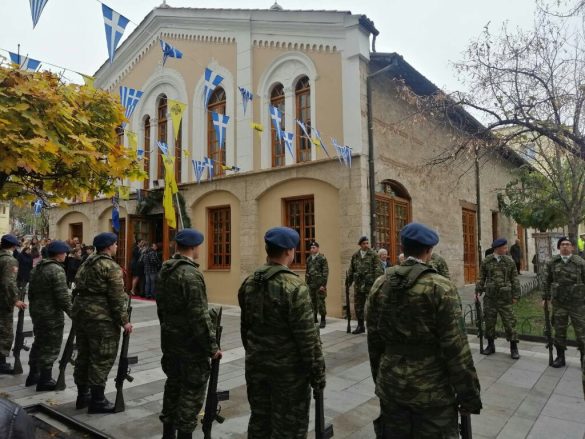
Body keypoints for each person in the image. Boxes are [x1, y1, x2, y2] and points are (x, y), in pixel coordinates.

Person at [366, 222, 482, 437]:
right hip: (432, 391)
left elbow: (374, 340)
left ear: (403, 247)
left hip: (391, 385)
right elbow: (456, 347)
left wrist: (381, 377)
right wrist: (469, 395)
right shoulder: (440, 287)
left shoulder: (380, 284)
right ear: (429, 250)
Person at [238, 227, 326, 438]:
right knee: (289, 429)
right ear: (289, 251)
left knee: (259, 422)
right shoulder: (294, 286)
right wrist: (318, 374)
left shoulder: (250, 282)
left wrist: (257, 353)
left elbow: (245, 328)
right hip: (288, 375)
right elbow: (308, 339)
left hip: (256, 367)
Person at [156, 229, 222, 439]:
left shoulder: (166, 269)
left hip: (170, 340)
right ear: (194, 247)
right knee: (191, 392)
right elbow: (199, 316)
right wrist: (212, 347)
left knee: (173, 386)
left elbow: (161, 307)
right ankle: (184, 434)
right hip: (190, 345)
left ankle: (168, 434)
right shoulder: (190, 274)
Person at [72, 232, 132, 413]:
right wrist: (124, 321)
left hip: (82, 316)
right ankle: (97, 400)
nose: (117, 247)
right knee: (102, 357)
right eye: (115, 244)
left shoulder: (87, 262)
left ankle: (83, 396)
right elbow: (116, 297)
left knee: (84, 355)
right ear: (108, 246)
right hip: (101, 319)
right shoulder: (110, 266)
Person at [26, 240, 72, 390]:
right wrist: (74, 314)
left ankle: (33, 374)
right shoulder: (56, 270)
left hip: (38, 313)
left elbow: (30, 293)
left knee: (39, 342)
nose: (66, 255)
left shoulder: (37, 268)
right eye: (64, 253)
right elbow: (62, 297)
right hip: (51, 315)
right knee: (50, 345)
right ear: (58, 254)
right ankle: (45, 380)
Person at [542, 236, 585, 368]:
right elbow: (546, 281)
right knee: (559, 330)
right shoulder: (552, 262)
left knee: (581, 331)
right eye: (562, 244)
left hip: (577, 303)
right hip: (559, 303)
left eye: (567, 244)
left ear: (572, 247)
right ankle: (560, 357)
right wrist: (545, 298)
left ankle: (583, 358)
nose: (565, 246)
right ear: (559, 247)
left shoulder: (580, 262)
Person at [476, 238, 521, 359]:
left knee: (509, 322)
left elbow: (515, 279)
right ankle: (490, 345)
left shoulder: (509, 261)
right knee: (489, 322)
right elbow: (481, 278)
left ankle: (514, 348)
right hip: (490, 298)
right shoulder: (487, 261)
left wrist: (516, 295)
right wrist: (478, 291)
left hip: (505, 298)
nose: (506, 249)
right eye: (504, 248)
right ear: (497, 248)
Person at [0, 234, 27, 374]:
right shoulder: (10, 260)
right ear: (14, 246)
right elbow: (8, 283)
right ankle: (1, 363)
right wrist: (15, 300)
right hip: (3, 302)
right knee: (4, 332)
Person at [347, 236, 384, 334]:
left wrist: (376, 285)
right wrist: (348, 282)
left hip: (370, 286)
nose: (366, 245)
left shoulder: (373, 254)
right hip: (359, 285)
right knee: (358, 307)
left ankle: (374, 327)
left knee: (372, 306)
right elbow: (351, 270)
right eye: (364, 243)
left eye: (367, 243)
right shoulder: (355, 255)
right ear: (360, 245)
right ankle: (360, 326)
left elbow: (378, 270)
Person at [305, 241, 329, 328]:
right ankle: (314, 318)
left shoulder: (322, 258)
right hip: (311, 285)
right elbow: (307, 272)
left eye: (313, 248)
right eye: (311, 248)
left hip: (320, 285)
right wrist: (306, 283)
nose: (312, 249)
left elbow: (325, 272)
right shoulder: (309, 259)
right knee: (312, 302)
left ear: (318, 248)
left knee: (321, 302)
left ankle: (323, 320)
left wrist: (323, 285)